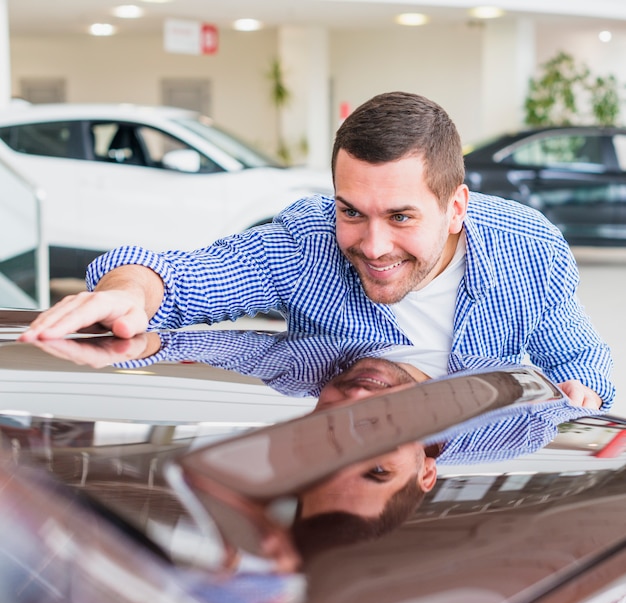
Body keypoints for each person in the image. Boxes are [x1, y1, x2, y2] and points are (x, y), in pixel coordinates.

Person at [19, 91, 613, 410]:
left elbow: (580, 360)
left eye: (401, 217)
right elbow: (185, 277)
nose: (372, 246)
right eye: (351, 210)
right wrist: (128, 290)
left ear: (456, 206)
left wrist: (579, 393)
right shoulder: (308, 243)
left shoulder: (527, 247)